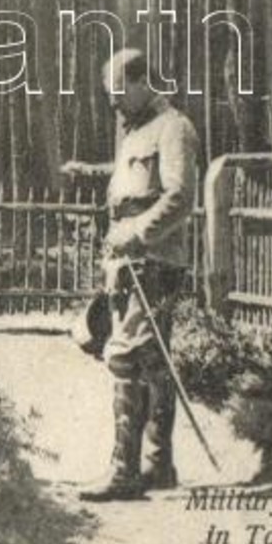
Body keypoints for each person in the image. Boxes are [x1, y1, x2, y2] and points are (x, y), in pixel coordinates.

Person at [79, 47, 200, 503]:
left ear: (142, 80)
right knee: (150, 361)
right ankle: (157, 464)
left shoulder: (174, 129)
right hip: (128, 264)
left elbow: (180, 197)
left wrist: (137, 233)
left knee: (126, 357)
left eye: (117, 92)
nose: (112, 103)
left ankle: (124, 471)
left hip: (154, 260)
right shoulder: (133, 133)